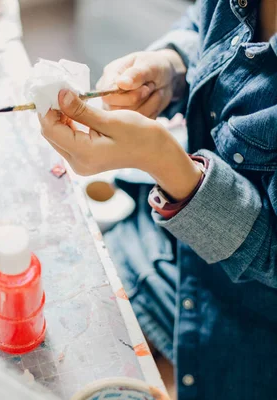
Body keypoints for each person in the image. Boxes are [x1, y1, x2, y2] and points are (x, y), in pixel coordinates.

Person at [38, 0, 277, 399]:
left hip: (243, 332)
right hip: (161, 257)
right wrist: (170, 67)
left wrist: (164, 163)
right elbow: (203, 26)